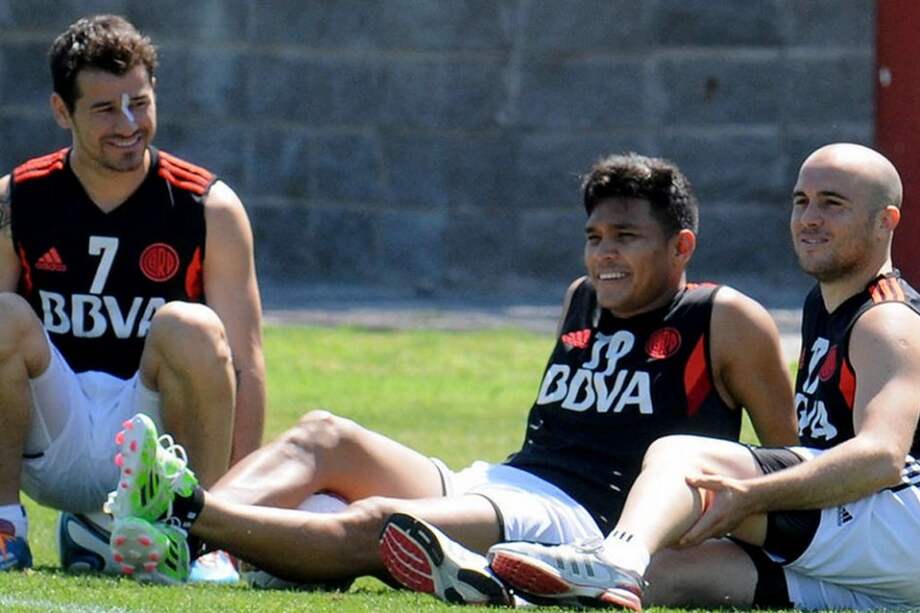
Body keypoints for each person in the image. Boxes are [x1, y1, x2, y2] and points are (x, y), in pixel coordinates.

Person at [104, 153, 797, 599]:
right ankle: (189, 542)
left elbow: (783, 459)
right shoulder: (580, 298)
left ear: (682, 247)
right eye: (594, 237)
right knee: (323, 435)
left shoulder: (724, 316)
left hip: (583, 520)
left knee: (384, 526)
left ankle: (184, 510)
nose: (604, 255)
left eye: (626, 237)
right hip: (508, 480)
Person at [488, 143, 920, 611]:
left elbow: (882, 459)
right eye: (801, 201)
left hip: (899, 523)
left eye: (832, 203)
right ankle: (512, 593)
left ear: (885, 221)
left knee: (681, 454)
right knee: (670, 571)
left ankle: (616, 555)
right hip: (875, 550)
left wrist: (751, 496)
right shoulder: (825, 303)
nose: (809, 217)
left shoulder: (886, 319)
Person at [0, 15, 265, 573]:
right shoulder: (16, 201)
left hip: (157, 441)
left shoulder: (208, 207)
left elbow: (247, 366)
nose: (127, 123)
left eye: (138, 103)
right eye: (103, 109)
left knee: (190, 326)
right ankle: (5, 529)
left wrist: (242, 521)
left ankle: (202, 541)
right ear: (60, 111)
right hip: (53, 431)